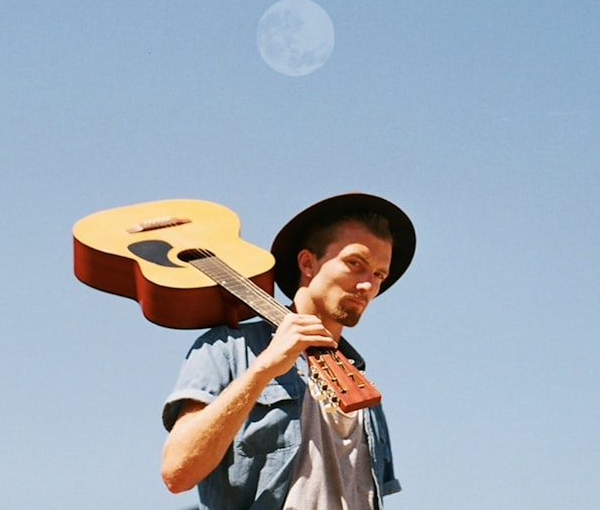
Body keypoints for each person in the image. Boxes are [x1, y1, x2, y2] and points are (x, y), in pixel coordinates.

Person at [161, 193, 416, 510]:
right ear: (308, 263)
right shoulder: (230, 347)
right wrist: (263, 369)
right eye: (355, 264)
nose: (368, 285)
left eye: (379, 274)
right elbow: (177, 472)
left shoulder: (361, 386)